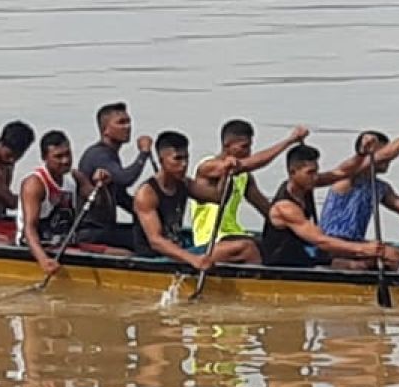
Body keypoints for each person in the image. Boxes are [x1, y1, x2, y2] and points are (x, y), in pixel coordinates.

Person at [133, 131, 261, 269]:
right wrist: (193, 259)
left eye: (186, 158)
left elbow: (218, 198)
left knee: (251, 242)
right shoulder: (146, 194)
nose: (184, 164)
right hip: (157, 259)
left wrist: (225, 172)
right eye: (177, 159)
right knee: (246, 249)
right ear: (161, 160)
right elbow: (156, 241)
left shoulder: (184, 183)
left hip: (179, 250)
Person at [260, 143, 395, 269]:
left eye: (316, 172)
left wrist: (360, 154)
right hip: (285, 265)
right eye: (310, 172)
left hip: (308, 257)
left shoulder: (305, 185)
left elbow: (342, 172)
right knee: (358, 266)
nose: (316, 177)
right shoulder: (285, 208)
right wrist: (362, 249)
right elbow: (320, 241)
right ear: (292, 172)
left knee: (391, 256)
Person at [190, 121, 309, 249]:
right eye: (244, 147)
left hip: (233, 234)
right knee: (253, 247)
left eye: (250, 146)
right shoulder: (208, 167)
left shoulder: (245, 177)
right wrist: (290, 141)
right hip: (210, 241)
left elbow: (267, 210)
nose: (249, 152)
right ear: (227, 145)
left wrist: (295, 222)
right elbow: (252, 163)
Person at [319, 118, 399, 243]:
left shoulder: (381, 188)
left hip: (356, 243)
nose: (388, 161)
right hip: (331, 242)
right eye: (381, 151)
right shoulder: (348, 176)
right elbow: (385, 155)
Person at [19, 131, 111, 278]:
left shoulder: (75, 177)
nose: (66, 160)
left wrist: (103, 185)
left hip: (67, 244)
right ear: (44, 158)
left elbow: (100, 205)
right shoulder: (35, 184)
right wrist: (43, 260)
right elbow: (29, 228)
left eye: (68, 154)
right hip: (42, 246)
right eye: (58, 157)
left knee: (124, 254)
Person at [76, 102, 153, 250]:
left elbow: (121, 197)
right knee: (144, 240)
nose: (127, 127)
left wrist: (148, 212)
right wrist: (143, 153)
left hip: (105, 229)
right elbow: (126, 179)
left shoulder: (111, 156)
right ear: (105, 130)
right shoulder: (99, 155)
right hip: (92, 232)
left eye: (128, 121)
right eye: (121, 123)